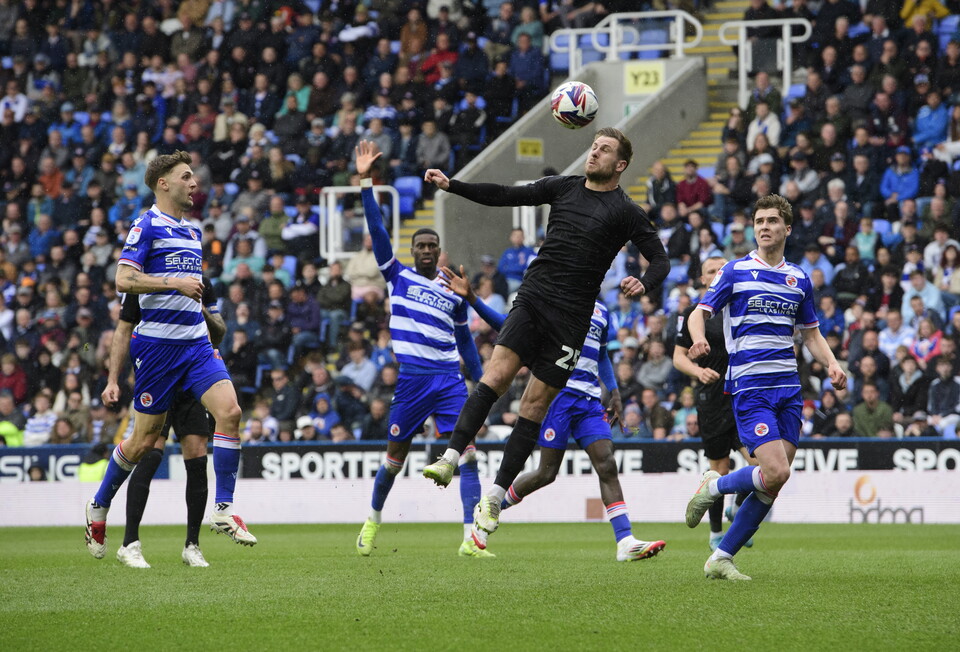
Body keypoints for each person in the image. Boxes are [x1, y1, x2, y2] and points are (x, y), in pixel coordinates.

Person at [421, 127, 669, 550]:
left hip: (573, 319)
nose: (594, 154)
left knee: (534, 405)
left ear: (620, 165)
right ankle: (449, 457)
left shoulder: (626, 210)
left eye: (604, 150)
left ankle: (496, 497)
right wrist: (453, 185)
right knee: (496, 376)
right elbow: (504, 194)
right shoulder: (563, 187)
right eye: (593, 147)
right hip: (534, 298)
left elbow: (661, 259)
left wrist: (643, 284)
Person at [84, 151, 254, 561]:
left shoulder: (194, 233)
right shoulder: (145, 225)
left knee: (230, 412)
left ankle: (224, 508)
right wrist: (171, 283)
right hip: (157, 350)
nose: (195, 183)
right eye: (187, 176)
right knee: (142, 441)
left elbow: (198, 298)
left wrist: (202, 311)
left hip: (195, 346)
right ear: (164, 183)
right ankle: (99, 506)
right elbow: (123, 278)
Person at [441, 265, 666, 561]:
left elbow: (600, 355)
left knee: (607, 462)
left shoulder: (601, 311)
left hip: (587, 401)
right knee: (546, 473)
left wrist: (613, 391)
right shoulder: (553, 302)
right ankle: (490, 510)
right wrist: (473, 299)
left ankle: (625, 542)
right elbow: (507, 325)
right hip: (555, 395)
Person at [683, 194, 846, 580]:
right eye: (759, 221)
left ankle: (721, 557)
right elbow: (699, 312)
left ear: (787, 228)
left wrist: (833, 363)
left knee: (774, 480)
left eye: (772, 220)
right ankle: (716, 484)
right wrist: (697, 339)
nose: (764, 227)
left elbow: (811, 334)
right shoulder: (735, 271)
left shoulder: (799, 279)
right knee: (775, 471)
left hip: (788, 389)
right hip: (750, 387)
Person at [351, 141, 491, 559]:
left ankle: (471, 538)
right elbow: (377, 229)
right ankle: (372, 521)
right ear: (413, 251)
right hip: (412, 381)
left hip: (449, 379)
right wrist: (365, 182)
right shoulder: (397, 277)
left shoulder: (454, 290)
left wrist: (482, 382)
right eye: (421, 246)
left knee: (468, 457)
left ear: (439, 251)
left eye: (433, 246)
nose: (427, 250)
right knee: (394, 460)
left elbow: (465, 340)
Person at [103, 284, 226, 568]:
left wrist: (198, 307)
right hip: (158, 375)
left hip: (193, 379)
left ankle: (192, 546)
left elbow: (218, 333)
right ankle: (129, 544)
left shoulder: (200, 283)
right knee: (150, 453)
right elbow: (123, 331)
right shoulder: (140, 283)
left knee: (196, 458)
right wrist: (113, 380)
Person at [673, 255, 757, 551]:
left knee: (760, 463)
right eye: (712, 270)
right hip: (712, 397)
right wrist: (698, 371)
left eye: (722, 269)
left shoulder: (740, 304)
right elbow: (678, 357)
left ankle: (738, 508)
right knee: (718, 468)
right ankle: (715, 533)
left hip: (743, 393)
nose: (718, 274)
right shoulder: (694, 313)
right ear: (703, 278)